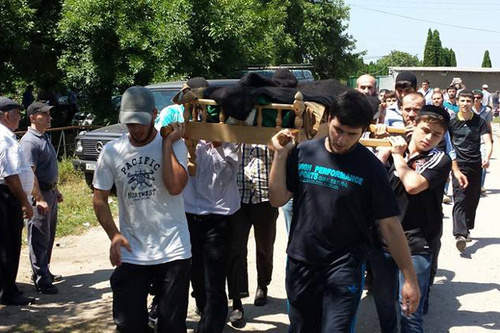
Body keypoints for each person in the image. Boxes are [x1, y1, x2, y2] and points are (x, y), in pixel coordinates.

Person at [269, 90, 420, 332]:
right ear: (329, 117)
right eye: (338, 129)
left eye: (352, 134)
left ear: (363, 131)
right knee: (300, 328)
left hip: (345, 265)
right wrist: (279, 155)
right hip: (301, 260)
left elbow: (390, 226)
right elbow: (277, 199)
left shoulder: (372, 169)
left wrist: (410, 278)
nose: (342, 139)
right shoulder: (304, 152)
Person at [93, 86, 191, 332]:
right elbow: (100, 199)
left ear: (154, 115)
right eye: (129, 123)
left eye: (140, 122)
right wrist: (114, 235)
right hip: (133, 252)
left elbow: (175, 187)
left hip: (173, 250)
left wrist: (167, 145)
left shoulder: (175, 144)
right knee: (129, 324)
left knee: (171, 325)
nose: (134, 129)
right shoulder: (112, 151)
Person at [373, 105, 452, 332]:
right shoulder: (394, 149)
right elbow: (370, 183)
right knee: (383, 301)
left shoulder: (440, 159)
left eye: (437, 134)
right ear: (413, 126)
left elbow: (412, 184)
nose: (429, 138)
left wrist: (398, 156)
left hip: (416, 242)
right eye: (425, 130)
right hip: (383, 240)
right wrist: (383, 153)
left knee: (410, 310)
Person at [182, 139, 240, 333]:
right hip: (190, 215)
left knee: (214, 281)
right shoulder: (186, 138)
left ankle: (210, 327)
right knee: (196, 277)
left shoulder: (231, 139)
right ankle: (205, 313)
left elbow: (230, 171)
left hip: (219, 217)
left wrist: (218, 146)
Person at [227, 144, 278, 327]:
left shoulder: (268, 123)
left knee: (264, 247)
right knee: (236, 249)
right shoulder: (238, 123)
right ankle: (237, 301)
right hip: (238, 193)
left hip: (265, 195)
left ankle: (262, 284)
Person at [20, 102, 63, 294]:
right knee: (38, 237)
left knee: (48, 236)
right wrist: (38, 198)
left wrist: (56, 190)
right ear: (32, 117)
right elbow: (30, 172)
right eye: (44, 115)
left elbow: (47, 168)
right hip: (40, 195)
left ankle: (44, 270)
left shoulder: (43, 137)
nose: (49, 118)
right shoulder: (30, 142)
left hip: (50, 192)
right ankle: (41, 279)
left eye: (49, 115)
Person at [0, 97, 35, 306]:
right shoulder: (4, 139)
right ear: (6, 115)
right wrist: (24, 202)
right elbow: (11, 176)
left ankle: (6, 286)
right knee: (8, 244)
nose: (20, 118)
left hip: (6, 195)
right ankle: (8, 291)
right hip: (7, 197)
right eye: (18, 114)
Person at [448, 90, 493, 252]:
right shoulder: (452, 122)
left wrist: (487, 156)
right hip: (458, 165)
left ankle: (466, 227)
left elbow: (488, 141)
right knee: (460, 197)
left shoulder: (479, 121)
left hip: (475, 164)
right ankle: (459, 234)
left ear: (473, 102)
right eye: (463, 100)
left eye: (468, 101)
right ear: (458, 102)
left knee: (472, 199)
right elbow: (447, 142)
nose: (465, 103)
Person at [471, 90, 493, 195]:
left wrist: (491, 138)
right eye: (474, 97)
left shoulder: (487, 110)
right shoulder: (469, 109)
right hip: (471, 138)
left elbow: (488, 124)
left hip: (483, 138)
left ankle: (480, 186)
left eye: (478, 97)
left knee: (484, 161)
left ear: (481, 98)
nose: (476, 99)